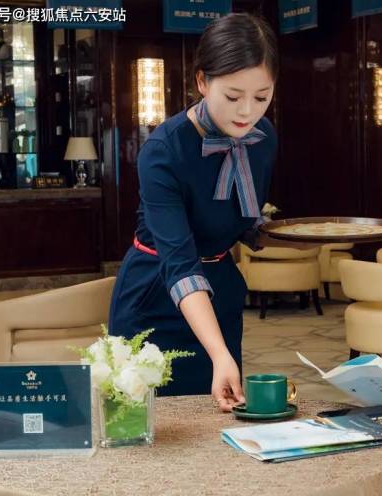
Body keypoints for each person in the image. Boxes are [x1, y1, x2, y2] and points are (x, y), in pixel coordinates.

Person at [108, 13, 280, 412]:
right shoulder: (163, 151)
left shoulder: (263, 138)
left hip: (219, 292)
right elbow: (180, 262)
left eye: (262, 97)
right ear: (202, 81)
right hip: (155, 296)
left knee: (218, 419)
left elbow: (240, 219)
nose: (247, 111)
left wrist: (277, 234)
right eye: (233, 96)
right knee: (148, 425)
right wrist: (219, 353)